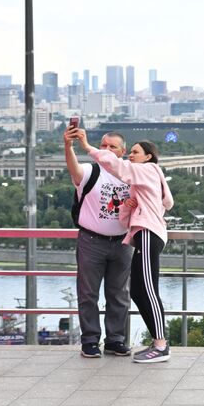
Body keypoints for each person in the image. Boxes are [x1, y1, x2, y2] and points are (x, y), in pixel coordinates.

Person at [73, 128, 174, 363]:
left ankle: (161, 345)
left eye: (135, 152)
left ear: (148, 157)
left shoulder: (146, 169)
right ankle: (157, 343)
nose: (132, 156)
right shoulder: (143, 179)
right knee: (138, 290)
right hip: (141, 234)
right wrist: (134, 204)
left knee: (147, 290)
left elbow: (118, 166)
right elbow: (167, 202)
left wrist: (88, 147)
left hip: (148, 233)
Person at [63, 126, 133, 358]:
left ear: (122, 152)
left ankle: (115, 340)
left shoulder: (131, 174)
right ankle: (90, 341)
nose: (106, 149)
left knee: (119, 294)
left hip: (123, 242)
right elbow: (73, 168)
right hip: (91, 241)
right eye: (103, 145)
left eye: (112, 146)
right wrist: (68, 145)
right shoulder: (90, 172)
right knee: (88, 294)